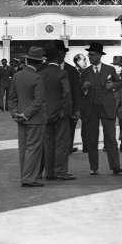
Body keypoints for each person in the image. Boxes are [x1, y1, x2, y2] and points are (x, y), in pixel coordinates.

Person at [80, 43, 122, 175]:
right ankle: (94, 167)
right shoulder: (85, 72)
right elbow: (80, 88)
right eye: (89, 54)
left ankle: (115, 166)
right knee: (92, 139)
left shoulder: (109, 69)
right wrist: (84, 87)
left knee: (110, 138)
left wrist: (113, 85)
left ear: (99, 55)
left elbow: (120, 82)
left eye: (92, 54)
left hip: (107, 108)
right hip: (91, 108)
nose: (89, 56)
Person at [9, 46, 48, 187]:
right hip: (35, 119)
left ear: (28, 60)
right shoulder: (38, 77)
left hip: (20, 118)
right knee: (33, 148)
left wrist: (16, 113)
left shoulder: (17, 75)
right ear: (39, 62)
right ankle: (29, 178)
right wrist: (26, 114)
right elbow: (39, 100)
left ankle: (24, 176)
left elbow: (12, 98)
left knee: (23, 148)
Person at [39, 44, 76, 181]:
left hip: (45, 114)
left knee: (48, 144)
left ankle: (49, 172)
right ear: (58, 56)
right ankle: (60, 171)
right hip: (60, 114)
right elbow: (67, 94)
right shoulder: (62, 73)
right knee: (62, 143)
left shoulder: (40, 73)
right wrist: (66, 111)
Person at [63, 50, 84, 154]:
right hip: (68, 103)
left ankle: (70, 146)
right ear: (77, 61)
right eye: (84, 60)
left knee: (74, 127)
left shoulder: (84, 71)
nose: (86, 62)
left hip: (79, 103)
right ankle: (66, 146)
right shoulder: (72, 71)